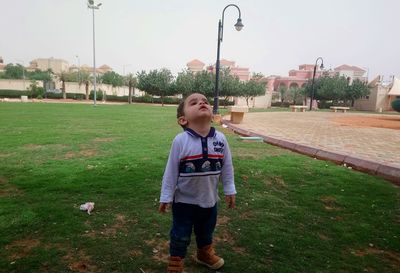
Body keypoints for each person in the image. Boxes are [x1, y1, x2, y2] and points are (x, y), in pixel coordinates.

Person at [159, 93, 236, 273]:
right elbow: (170, 172)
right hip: (184, 202)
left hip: (210, 201)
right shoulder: (180, 141)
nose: (201, 102)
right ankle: (176, 261)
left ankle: (204, 253)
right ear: (183, 120)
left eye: (205, 101)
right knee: (180, 235)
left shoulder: (221, 139)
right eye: (193, 102)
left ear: (212, 112)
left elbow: (227, 167)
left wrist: (230, 189)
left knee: (206, 231)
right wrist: (166, 196)